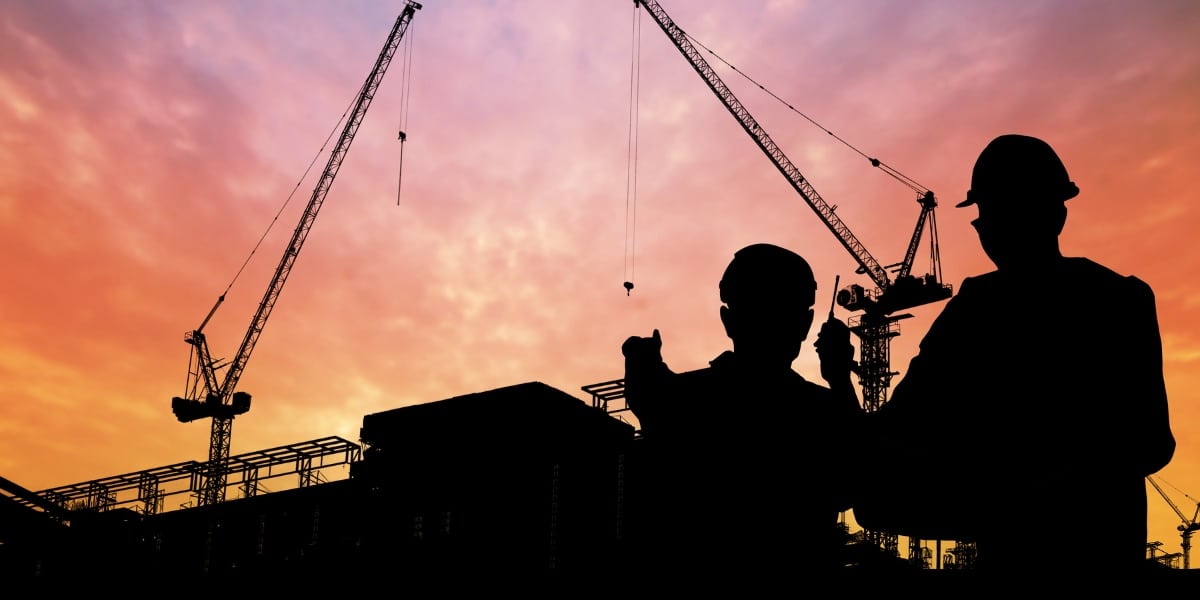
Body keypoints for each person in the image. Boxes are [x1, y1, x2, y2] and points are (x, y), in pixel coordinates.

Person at [853, 134, 1176, 580]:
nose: (987, 230)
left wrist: (1018, 493)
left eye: (989, 216)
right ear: (1059, 212)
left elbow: (898, 429)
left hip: (1019, 561)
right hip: (1102, 562)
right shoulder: (1123, 299)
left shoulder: (977, 309)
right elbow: (1152, 444)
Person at [621, 242, 860, 587]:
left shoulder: (686, 399)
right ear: (806, 325)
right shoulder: (819, 410)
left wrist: (644, 366)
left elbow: (652, 400)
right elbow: (855, 482)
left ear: (728, 320)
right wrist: (839, 379)